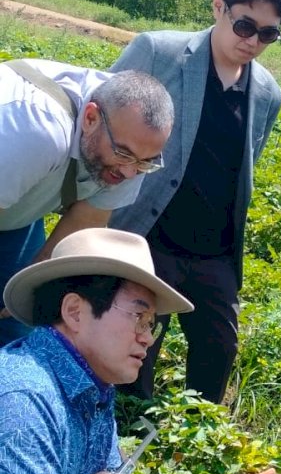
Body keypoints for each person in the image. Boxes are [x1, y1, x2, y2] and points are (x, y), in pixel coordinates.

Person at [0, 228, 281, 474]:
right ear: (74, 311)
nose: (148, 338)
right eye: (138, 316)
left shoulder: (90, 387)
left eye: (151, 323)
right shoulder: (23, 398)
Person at [109, 0, 281, 403]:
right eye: (245, 26)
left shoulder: (268, 94)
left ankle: (195, 448)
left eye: (268, 34)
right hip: (151, 238)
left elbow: (243, 169)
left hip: (215, 253)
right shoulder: (159, 53)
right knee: (134, 368)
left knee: (217, 357)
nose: (253, 42)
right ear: (218, 7)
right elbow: (101, 130)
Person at [0, 60, 174, 346]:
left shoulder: (135, 147)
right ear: (90, 118)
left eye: (144, 163)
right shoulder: (37, 130)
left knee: (20, 316)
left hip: (16, 210)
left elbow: (83, 224)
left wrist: (29, 294)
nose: (130, 172)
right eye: (124, 155)